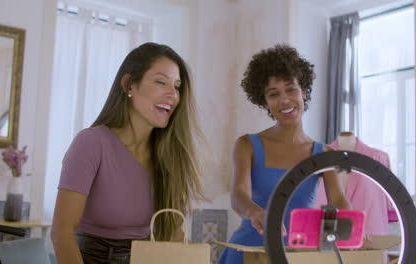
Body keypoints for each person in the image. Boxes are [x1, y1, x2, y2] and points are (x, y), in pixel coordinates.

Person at [51, 42, 204, 264]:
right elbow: (62, 232)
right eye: (161, 82)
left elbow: (171, 234)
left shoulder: (171, 155)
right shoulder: (91, 143)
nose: (173, 95)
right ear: (129, 85)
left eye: (177, 86)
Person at [218, 44, 351, 264]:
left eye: (291, 89)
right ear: (265, 102)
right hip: (248, 251)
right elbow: (238, 195)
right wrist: (255, 213)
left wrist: (351, 228)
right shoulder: (247, 145)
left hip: (296, 255)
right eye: (274, 94)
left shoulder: (324, 153)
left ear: (304, 92)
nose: (284, 100)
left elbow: (338, 199)